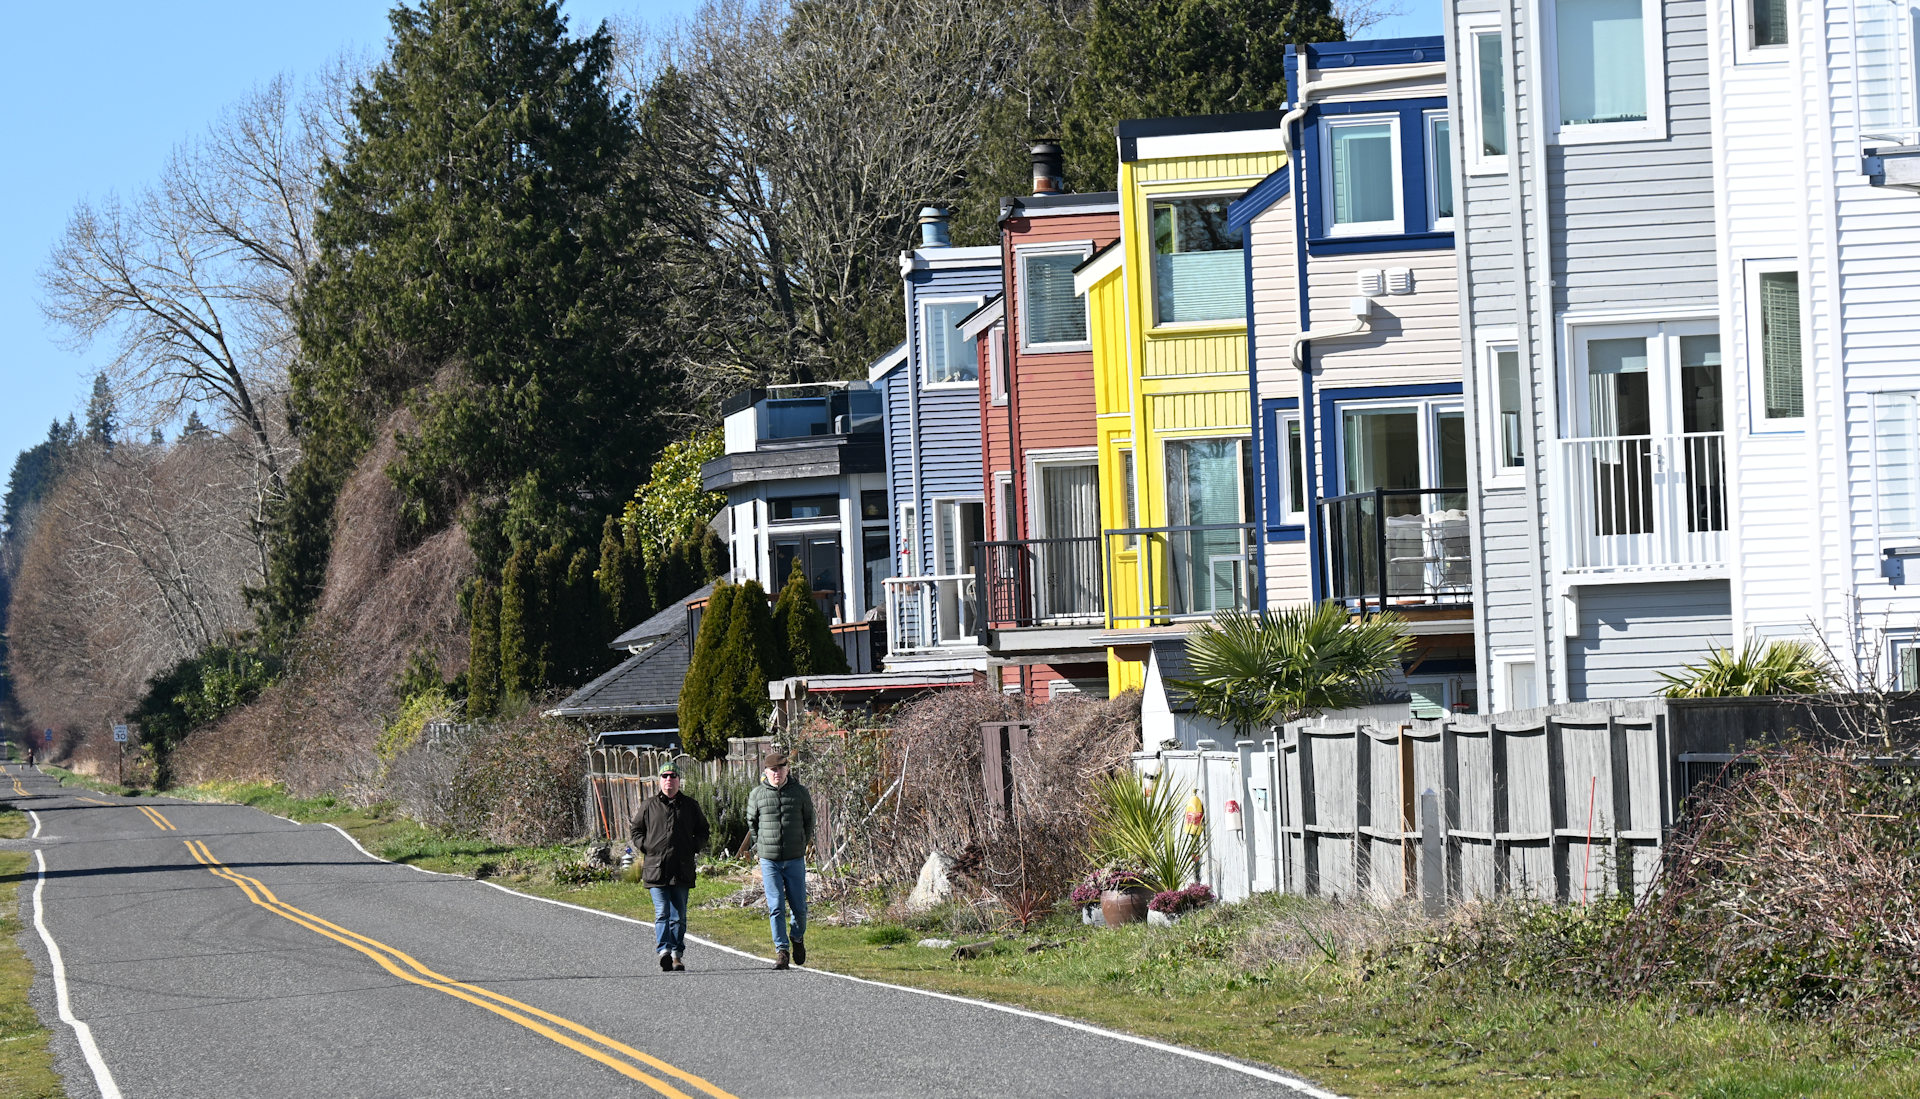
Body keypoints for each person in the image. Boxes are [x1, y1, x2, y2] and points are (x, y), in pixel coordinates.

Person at [629, 760, 709, 972]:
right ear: (659, 780)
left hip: (682, 868)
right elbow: (636, 830)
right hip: (656, 869)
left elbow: (703, 830)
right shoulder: (649, 806)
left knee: (679, 916)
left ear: (679, 780)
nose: (669, 780)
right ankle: (663, 951)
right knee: (662, 912)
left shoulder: (690, 805)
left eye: (673, 776)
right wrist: (645, 846)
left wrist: (694, 846)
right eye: (665, 777)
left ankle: (676, 955)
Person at [745, 747, 814, 970]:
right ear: (766, 771)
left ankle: (797, 938)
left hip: (794, 858)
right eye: (773, 769)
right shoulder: (757, 794)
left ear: (787, 769)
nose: (777, 773)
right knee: (775, 906)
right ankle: (782, 951)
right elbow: (751, 823)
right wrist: (762, 845)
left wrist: (801, 843)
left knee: (800, 908)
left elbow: (809, 821)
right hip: (769, 859)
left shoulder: (800, 792)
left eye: (781, 769)